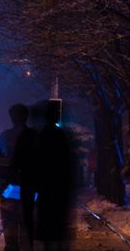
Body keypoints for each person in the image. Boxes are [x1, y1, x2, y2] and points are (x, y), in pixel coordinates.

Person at [0, 103, 37, 251]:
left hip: (9, 185)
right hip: (30, 185)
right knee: (26, 219)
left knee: (9, 218)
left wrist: (4, 172)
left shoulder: (5, 136)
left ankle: (12, 246)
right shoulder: (34, 136)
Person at [34, 99, 77, 250]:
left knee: (47, 231)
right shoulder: (63, 136)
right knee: (58, 231)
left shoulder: (41, 136)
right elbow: (69, 165)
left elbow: (36, 164)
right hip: (59, 190)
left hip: (45, 190)